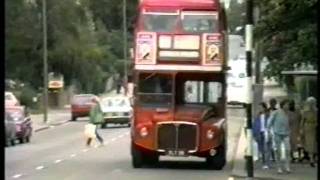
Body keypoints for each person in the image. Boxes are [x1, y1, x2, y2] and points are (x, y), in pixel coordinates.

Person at [267, 99, 291, 174]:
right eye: (286, 104)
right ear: (282, 105)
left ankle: (287, 166)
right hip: (277, 133)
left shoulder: (288, 113)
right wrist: (269, 131)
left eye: (288, 105)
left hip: (286, 134)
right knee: (278, 151)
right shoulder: (276, 112)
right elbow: (269, 122)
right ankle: (279, 167)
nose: (287, 106)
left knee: (287, 150)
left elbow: (289, 123)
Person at [253, 102, 271, 169]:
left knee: (266, 149)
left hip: (266, 133)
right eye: (258, 107)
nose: (259, 109)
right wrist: (254, 134)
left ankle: (267, 163)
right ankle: (264, 162)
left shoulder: (268, 114)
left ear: (264, 107)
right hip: (259, 133)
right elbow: (255, 124)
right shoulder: (258, 115)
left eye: (260, 107)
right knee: (261, 149)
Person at [300, 97, 317, 167]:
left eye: (312, 103)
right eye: (310, 103)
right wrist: (301, 129)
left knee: (314, 144)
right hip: (307, 128)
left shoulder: (316, 111)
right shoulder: (305, 111)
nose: (311, 104)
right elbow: (302, 120)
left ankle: (313, 158)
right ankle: (311, 159)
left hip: (314, 128)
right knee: (310, 144)